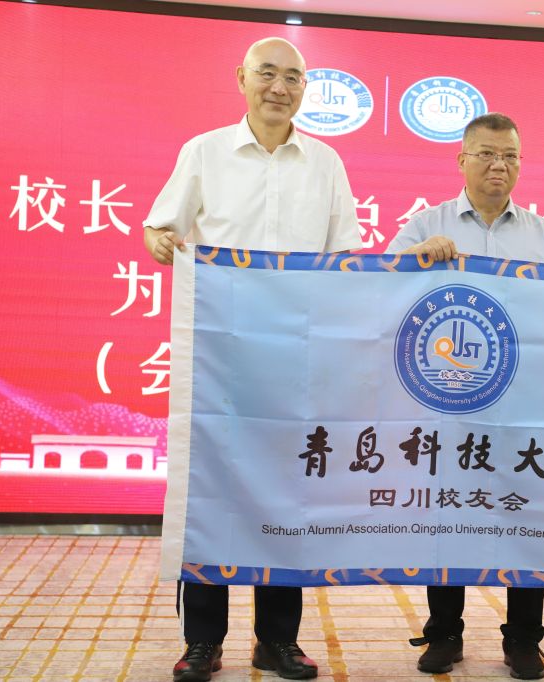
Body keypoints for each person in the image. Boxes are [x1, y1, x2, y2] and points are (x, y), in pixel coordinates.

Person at [143, 37, 362, 682]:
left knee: (287, 496)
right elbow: (159, 227)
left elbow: (344, 257)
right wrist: (161, 241)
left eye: (293, 77)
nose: (279, 87)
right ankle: (202, 642)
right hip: (219, 356)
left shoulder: (326, 163)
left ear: (305, 88)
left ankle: (278, 641)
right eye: (267, 73)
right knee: (210, 494)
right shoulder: (205, 151)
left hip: (297, 358)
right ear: (241, 78)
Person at [386, 112, 544, 680]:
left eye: (510, 156)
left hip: (525, 404)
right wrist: (414, 259)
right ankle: (444, 633)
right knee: (448, 516)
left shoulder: (542, 235)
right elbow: (377, 287)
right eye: (487, 153)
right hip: (448, 403)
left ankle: (524, 640)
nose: (499, 165)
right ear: (461, 159)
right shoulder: (428, 224)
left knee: (525, 517)